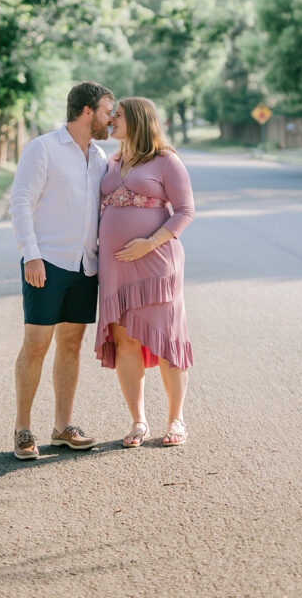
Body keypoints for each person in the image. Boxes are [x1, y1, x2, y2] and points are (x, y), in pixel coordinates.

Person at [10, 80, 114, 460]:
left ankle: (62, 426)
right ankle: (23, 428)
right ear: (87, 112)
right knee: (36, 345)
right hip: (47, 263)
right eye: (107, 111)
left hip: (86, 266)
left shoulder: (101, 157)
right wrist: (30, 254)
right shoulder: (43, 149)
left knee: (71, 345)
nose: (110, 118)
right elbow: (21, 201)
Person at [95, 97, 194, 447]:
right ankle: (138, 421)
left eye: (117, 116)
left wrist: (148, 243)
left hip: (156, 263)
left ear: (137, 120)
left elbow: (185, 212)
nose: (111, 122)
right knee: (125, 340)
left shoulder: (166, 160)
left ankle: (176, 420)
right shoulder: (111, 162)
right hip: (116, 269)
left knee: (167, 339)